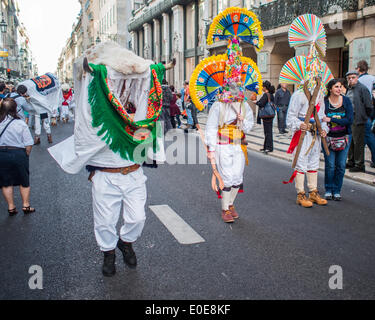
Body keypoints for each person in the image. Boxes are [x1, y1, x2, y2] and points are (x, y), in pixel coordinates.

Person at [48, 42, 172, 277]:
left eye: (128, 83)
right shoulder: (99, 119)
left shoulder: (140, 114)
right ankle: (108, 253)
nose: (123, 87)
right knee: (105, 222)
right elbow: (87, 131)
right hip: (105, 175)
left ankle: (126, 242)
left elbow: (151, 125)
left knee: (137, 218)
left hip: (134, 172)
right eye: (118, 83)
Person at [285, 84, 329, 208]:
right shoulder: (298, 95)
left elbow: (322, 117)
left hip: (316, 134)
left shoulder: (320, 95)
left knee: (314, 162)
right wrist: (299, 124)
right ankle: (301, 194)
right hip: (303, 134)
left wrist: (324, 129)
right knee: (301, 162)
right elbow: (290, 117)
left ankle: (313, 191)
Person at [0, 98, 35, 216]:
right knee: (24, 180)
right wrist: (26, 155)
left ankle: (11, 207)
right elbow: (29, 143)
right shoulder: (20, 123)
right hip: (18, 153)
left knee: (5, 182)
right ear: (15, 109)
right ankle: (26, 205)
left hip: (1, 154)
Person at [322, 79, 353, 201]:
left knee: (340, 165)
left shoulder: (346, 101)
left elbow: (349, 120)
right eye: (336, 87)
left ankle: (337, 190)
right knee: (330, 165)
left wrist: (331, 120)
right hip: (328, 137)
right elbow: (320, 118)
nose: (339, 89)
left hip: (344, 137)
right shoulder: (324, 102)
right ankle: (329, 189)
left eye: (340, 86)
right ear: (330, 88)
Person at [345, 70, 373, 172]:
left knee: (358, 142)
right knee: (351, 142)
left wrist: (364, 116)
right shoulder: (349, 89)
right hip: (350, 119)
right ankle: (351, 161)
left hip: (359, 119)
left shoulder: (362, 89)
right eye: (349, 78)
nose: (351, 80)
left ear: (357, 78)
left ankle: (359, 164)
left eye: (353, 77)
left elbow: (368, 105)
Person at [356, 60, 375, 168]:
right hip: (372, 109)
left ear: (358, 69)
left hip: (362, 111)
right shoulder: (373, 78)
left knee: (367, 135)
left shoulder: (359, 80)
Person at [256, 80, 275, 153]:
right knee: (268, 131)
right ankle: (266, 147)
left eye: (262, 86)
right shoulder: (271, 94)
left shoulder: (266, 95)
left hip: (267, 116)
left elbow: (261, 103)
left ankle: (269, 147)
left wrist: (256, 102)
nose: (261, 88)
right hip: (270, 115)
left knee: (267, 132)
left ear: (265, 87)